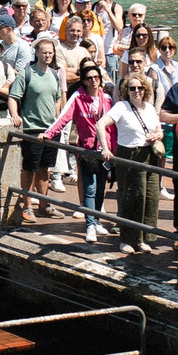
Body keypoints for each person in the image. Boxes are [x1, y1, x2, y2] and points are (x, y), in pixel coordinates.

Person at [44, 60, 116, 239]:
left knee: (100, 188)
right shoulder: (77, 97)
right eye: (89, 78)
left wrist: (114, 149)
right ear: (84, 80)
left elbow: (113, 128)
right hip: (87, 150)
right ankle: (90, 225)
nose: (94, 81)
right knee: (89, 188)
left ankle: (97, 220)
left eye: (96, 77)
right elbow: (63, 118)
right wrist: (49, 133)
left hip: (105, 151)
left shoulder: (107, 99)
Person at [100, 70, 166, 248]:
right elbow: (101, 124)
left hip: (149, 155)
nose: (136, 91)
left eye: (140, 88)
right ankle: (127, 239)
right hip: (129, 155)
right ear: (126, 91)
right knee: (131, 197)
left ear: (145, 90)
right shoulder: (122, 107)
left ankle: (142, 238)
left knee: (150, 197)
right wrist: (105, 148)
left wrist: (157, 135)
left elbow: (159, 129)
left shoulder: (150, 108)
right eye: (132, 88)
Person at [7, 35, 66, 225]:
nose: (48, 56)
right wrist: (15, 115)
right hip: (32, 128)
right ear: (37, 53)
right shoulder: (26, 74)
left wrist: (56, 119)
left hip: (50, 130)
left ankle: (43, 204)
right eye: (44, 52)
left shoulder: (55, 74)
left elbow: (57, 98)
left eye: (50, 53)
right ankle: (27, 206)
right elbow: (13, 96)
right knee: (29, 168)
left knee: (45, 169)